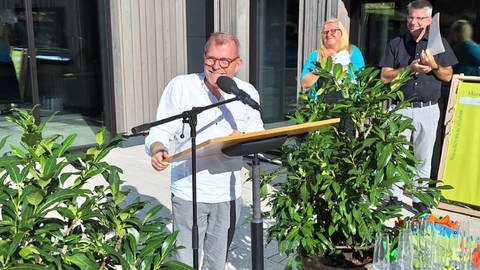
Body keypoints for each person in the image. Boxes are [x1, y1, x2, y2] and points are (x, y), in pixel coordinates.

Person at [144, 32, 264, 269]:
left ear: (237, 64)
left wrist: (242, 140)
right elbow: (160, 131)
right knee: (183, 261)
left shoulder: (246, 93)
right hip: (189, 191)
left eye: (224, 61)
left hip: (228, 194)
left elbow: (257, 136)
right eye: (211, 59)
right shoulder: (182, 86)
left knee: (217, 262)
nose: (216, 66)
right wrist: (158, 149)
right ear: (203, 59)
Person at [379, 0, 458, 212]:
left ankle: (419, 199)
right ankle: (393, 197)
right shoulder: (396, 43)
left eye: (419, 18)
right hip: (399, 108)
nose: (413, 22)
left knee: (423, 157)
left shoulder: (438, 43)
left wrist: (433, 65)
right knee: (395, 154)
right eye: (410, 17)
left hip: (428, 109)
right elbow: (385, 77)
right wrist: (409, 69)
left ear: (429, 20)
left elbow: (448, 76)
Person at [300, 18, 365, 91]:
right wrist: (321, 69)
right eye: (325, 32)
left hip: (348, 101)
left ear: (342, 33)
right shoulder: (315, 55)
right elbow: (304, 83)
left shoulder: (353, 51)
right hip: (320, 101)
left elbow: (360, 74)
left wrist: (333, 67)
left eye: (333, 31)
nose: (328, 34)